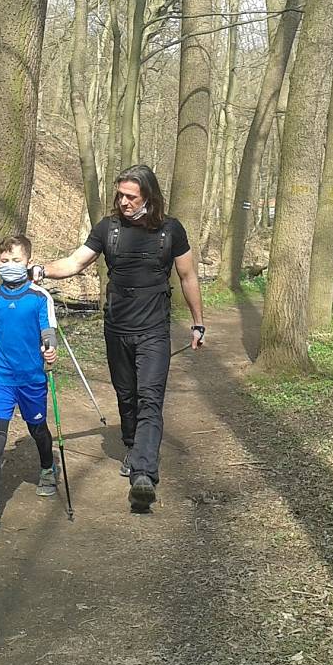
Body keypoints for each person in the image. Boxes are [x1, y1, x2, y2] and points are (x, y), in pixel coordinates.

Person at [32, 165, 205, 513]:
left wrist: (198, 323)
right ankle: (132, 446)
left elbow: (187, 277)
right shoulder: (108, 229)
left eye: (131, 196)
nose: (123, 202)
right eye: (120, 195)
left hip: (155, 330)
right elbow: (74, 262)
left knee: (150, 398)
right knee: (126, 395)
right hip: (116, 328)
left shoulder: (171, 231)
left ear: (149, 197)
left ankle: (144, 474)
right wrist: (38, 269)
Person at [0, 235, 59, 533]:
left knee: (38, 429)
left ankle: (47, 467)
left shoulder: (39, 297)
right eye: (5, 261)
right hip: (0, 381)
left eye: (17, 261)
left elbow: (48, 332)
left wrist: (49, 347)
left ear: (28, 263)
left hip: (31, 379)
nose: (10, 266)